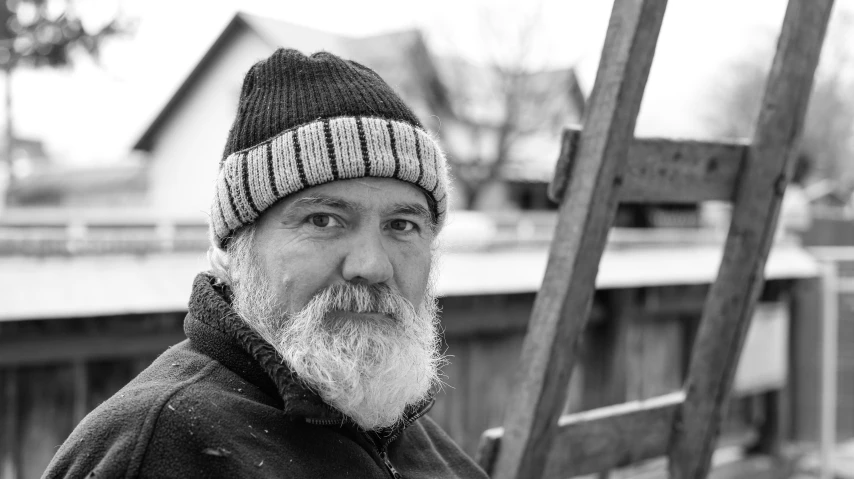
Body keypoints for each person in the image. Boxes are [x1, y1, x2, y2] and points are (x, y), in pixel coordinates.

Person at [44, 48, 488, 479]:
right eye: (324, 220)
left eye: (402, 225)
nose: (371, 266)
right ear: (236, 251)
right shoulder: (159, 447)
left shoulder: (400, 425)